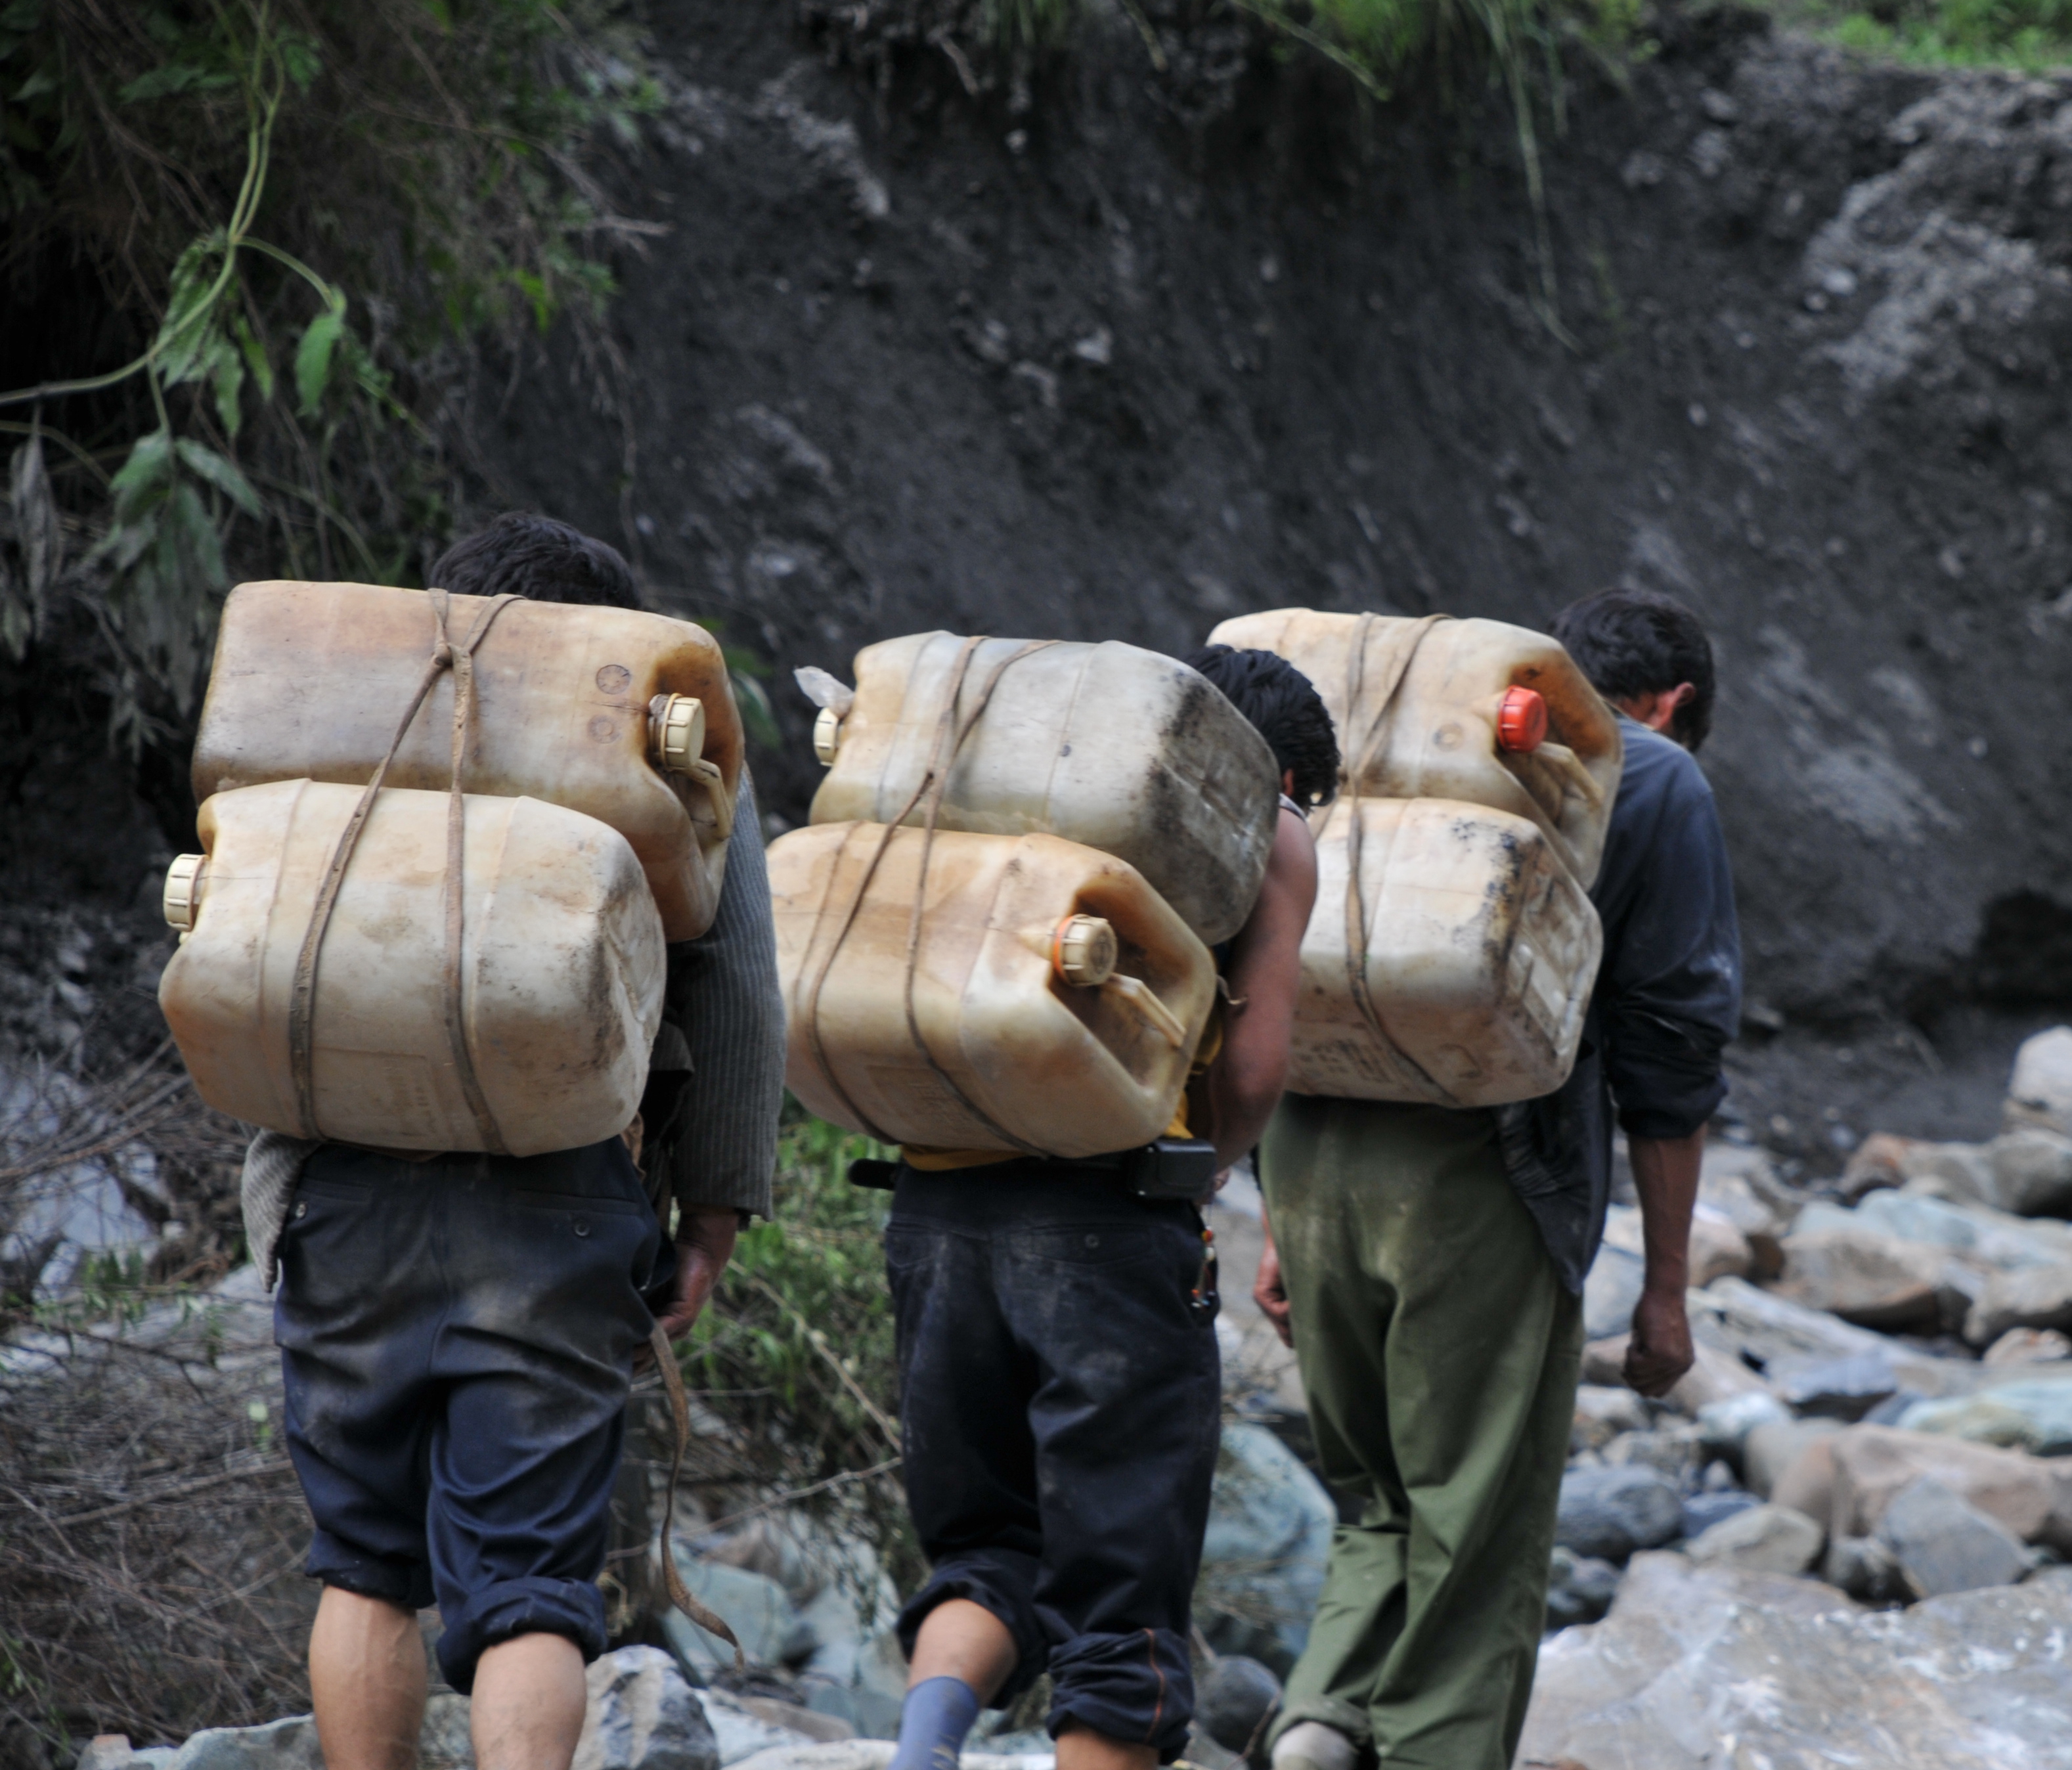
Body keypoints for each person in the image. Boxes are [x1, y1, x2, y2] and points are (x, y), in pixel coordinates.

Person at [241, 511, 787, 1770]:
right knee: (529, 1580)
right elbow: (742, 989)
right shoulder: (670, 740)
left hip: (342, 1182)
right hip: (558, 1200)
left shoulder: (343, 701)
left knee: (366, 1564)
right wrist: (714, 1210)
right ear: (616, 638)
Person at [1254, 588, 1742, 1770]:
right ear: (1671, 705)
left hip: (1308, 1153)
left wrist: (1273, 1216)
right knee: (1476, 1525)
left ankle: (1320, 1724)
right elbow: (1669, 1055)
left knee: (1375, 1499)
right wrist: (1666, 1290)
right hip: (1486, 1180)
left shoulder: (1411, 756)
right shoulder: (1656, 776)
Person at [883, 645, 1331, 1770]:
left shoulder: (1034, 781)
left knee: (986, 1552)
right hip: (1108, 1223)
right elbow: (1258, 1069)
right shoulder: (1266, 825)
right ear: (1283, 773)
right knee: (1122, 1604)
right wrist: (1206, 1163)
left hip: (936, 1203)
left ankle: (922, 1752)